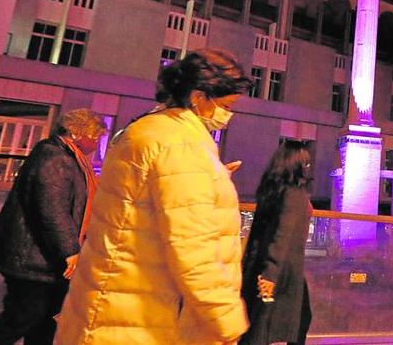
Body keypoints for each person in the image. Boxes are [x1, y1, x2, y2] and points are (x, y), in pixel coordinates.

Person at [55, 48, 251, 345]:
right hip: (138, 318)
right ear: (199, 96)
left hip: (115, 305)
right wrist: (225, 319)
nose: (227, 115)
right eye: (226, 104)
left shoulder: (151, 129)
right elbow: (194, 246)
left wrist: (211, 178)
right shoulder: (178, 143)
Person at [0, 108, 106, 345]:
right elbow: (52, 209)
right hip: (31, 260)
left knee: (43, 321)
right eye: (94, 136)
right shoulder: (55, 158)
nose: (95, 143)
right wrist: (70, 251)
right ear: (75, 133)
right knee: (22, 318)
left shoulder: (64, 157)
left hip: (39, 259)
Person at [240, 140, 314, 345]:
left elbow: (259, 234)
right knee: (266, 326)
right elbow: (282, 235)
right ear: (296, 163)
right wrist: (270, 274)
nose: (308, 167)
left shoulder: (272, 192)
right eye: (306, 162)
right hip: (282, 270)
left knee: (260, 323)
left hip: (266, 266)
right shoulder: (295, 194)